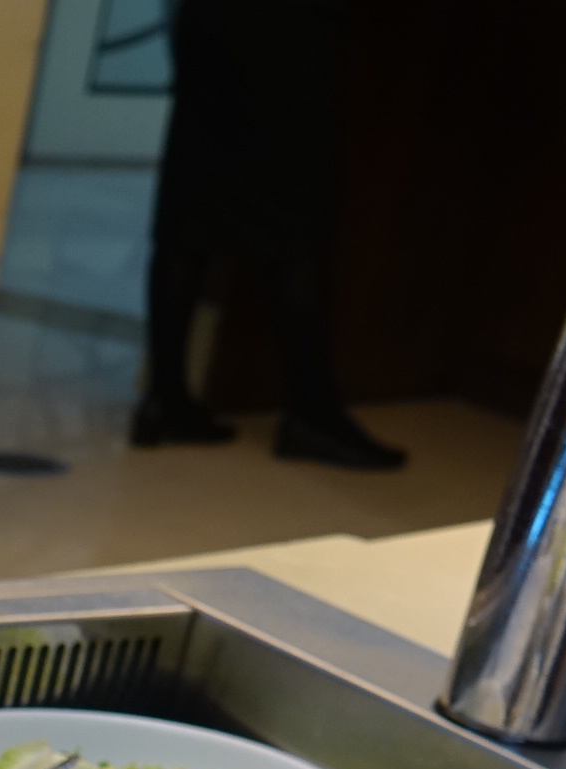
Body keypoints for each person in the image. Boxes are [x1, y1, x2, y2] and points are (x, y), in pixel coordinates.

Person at [132, 0, 404, 470]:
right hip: (287, 33)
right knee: (297, 218)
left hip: (212, 23)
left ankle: (166, 398)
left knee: (191, 204)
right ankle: (311, 411)